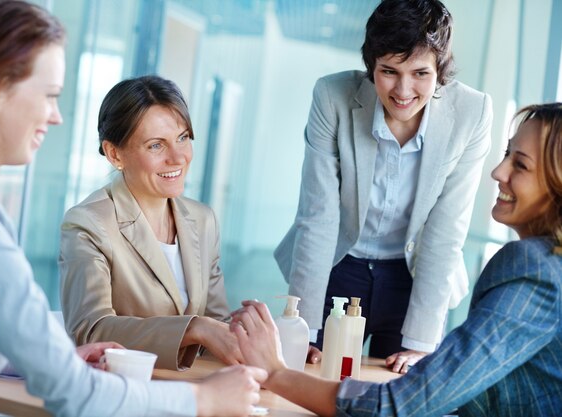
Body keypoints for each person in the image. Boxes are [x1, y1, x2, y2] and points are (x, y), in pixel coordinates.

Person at [0, 1, 265, 416]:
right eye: (50, 95)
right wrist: (202, 400)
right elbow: (74, 392)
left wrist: (52, 359)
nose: (56, 116)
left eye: (182, 138)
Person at [232, 103, 562, 416]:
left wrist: (275, 371)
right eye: (506, 154)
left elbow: (394, 408)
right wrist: (438, 376)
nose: (498, 171)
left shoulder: (536, 272)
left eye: (520, 164)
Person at [274, 0, 493, 371]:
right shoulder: (333, 97)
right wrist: (305, 332)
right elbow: (318, 217)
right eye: (389, 71)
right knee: (310, 377)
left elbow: (445, 231)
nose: (403, 90)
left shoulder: (472, 113)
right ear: (370, 66)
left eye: (420, 73)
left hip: (415, 274)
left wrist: (422, 344)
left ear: (440, 70)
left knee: (399, 393)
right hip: (339, 263)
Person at [59, 75, 241, 371]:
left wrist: (273, 346)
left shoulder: (202, 219)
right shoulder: (89, 223)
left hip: (190, 391)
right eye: (156, 146)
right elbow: (90, 330)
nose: (178, 157)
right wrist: (192, 328)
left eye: (183, 138)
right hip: (122, 391)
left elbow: (217, 325)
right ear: (114, 153)